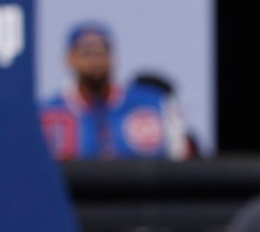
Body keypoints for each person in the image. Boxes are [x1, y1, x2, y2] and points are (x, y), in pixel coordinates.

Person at [37, 22, 187, 160]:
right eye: (87, 53)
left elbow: (180, 159)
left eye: (103, 52)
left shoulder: (153, 105)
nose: (96, 61)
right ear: (70, 59)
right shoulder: (48, 114)